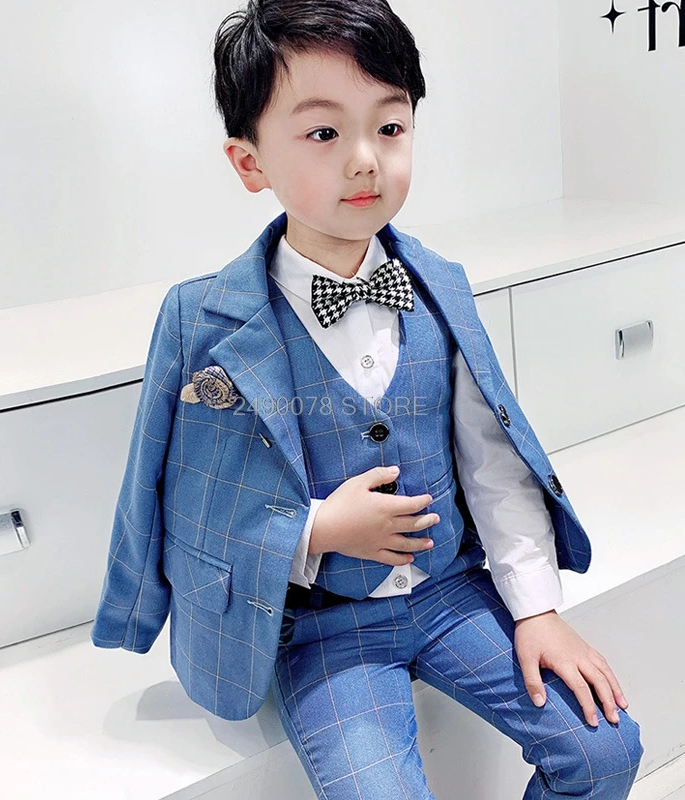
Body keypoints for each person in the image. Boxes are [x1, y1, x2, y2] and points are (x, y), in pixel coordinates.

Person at [91, 1, 644, 797]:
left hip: (453, 594)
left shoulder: (441, 286)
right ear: (249, 162)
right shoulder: (200, 319)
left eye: (390, 127)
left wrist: (535, 609)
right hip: (323, 625)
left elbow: (493, 458)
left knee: (604, 750)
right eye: (323, 133)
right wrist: (316, 530)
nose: (365, 160)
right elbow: (182, 498)